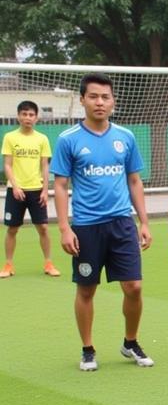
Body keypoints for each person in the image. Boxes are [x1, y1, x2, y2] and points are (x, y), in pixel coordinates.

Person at [52, 74, 153, 372]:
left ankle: (130, 342)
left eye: (105, 97)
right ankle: (87, 349)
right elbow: (60, 185)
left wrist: (144, 222)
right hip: (86, 226)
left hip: (122, 223)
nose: (99, 102)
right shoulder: (68, 139)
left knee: (133, 287)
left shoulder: (126, 137)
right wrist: (64, 227)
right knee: (86, 289)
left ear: (113, 102)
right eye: (93, 96)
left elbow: (134, 180)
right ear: (82, 100)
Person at [2, 100, 59, 278]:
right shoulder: (10, 137)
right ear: (19, 116)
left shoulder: (42, 139)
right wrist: (16, 187)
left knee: (43, 227)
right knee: (12, 229)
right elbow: (8, 166)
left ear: (36, 117)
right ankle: (8, 265)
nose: (28, 118)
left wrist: (44, 190)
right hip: (15, 191)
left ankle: (48, 263)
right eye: (24, 114)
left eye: (31, 114)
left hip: (36, 190)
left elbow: (45, 166)